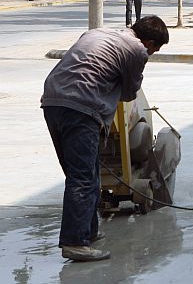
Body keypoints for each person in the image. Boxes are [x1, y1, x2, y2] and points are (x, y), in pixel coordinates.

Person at [41, 16, 169, 262]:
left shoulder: (96, 33)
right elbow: (129, 92)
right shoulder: (137, 50)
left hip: (52, 101)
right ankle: (75, 243)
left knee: (82, 173)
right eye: (155, 49)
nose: (151, 54)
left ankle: (88, 231)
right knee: (83, 177)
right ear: (150, 42)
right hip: (82, 107)